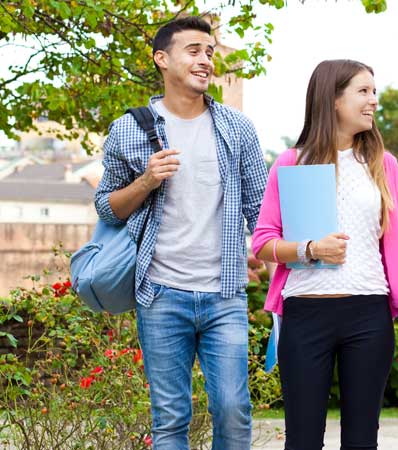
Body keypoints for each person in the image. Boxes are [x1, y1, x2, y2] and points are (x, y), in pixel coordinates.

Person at [93, 16, 267, 450]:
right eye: (193, 50)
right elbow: (106, 208)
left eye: (209, 52)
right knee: (170, 417)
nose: (205, 60)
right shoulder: (130, 129)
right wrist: (147, 180)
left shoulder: (237, 128)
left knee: (232, 410)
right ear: (162, 59)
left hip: (224, 294)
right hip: (160, 293)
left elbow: (259, 212)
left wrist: (272, 257)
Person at [251, 59, 398, 450]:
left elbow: (394, 250)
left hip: (368, 312)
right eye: (363, 91)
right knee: (302, 439)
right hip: (305, 313)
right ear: (332, 99)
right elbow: (262, 242)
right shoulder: (291, 162)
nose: (374, 101)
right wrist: (310, 249)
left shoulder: (384, 165)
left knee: (362, 440)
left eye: (374, 92)